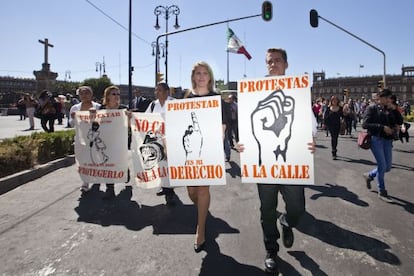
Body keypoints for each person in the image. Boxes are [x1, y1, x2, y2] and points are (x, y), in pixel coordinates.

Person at [236, 48, 316, 274]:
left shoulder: (298, 89)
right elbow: (246, 127)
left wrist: (311, 141)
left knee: (297, 208)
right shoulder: (254, 92)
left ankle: (287, 222)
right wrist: (244, 144)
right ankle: (271, 249)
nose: (273, 65)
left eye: (278, 61)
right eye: (269, 61)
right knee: (267, 209)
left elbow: (309, 125)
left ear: (286, 64)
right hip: (264, 165)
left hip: (293, 161)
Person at [184, 61, 229, 253]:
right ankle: (202, 209)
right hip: (188, 152)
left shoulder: (216, 99)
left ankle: (200, 229)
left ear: (210, 77)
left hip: (209, 150)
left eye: (205, 73)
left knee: (202, 189)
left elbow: (223, 123)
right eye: (198, 73)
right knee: (192, 192)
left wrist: (219, 135)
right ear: (193, 77)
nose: (201, 76)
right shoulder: (184, 98)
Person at [362, 89, 399, 202]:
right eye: (387, 98)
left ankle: (370, 175)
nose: (389, 100)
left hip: (387, 140)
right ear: (381, 97)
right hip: (376, 139)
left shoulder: (389, 108)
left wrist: (395, 111)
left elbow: (399, 121)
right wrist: (382, 127)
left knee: (387, 167)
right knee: (382, 165)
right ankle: (382, 191)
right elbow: (365, 124)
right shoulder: (371, 108)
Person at [145, 82, 177, 205]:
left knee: (169, 166)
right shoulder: (153, 105)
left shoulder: (175, 103)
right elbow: (145, 118)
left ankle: (170, 193)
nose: (156, 92)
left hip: (171, 140)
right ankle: (165, 187)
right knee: (160, 165)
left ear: (167, 92)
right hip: (157, 140)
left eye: (159, 90)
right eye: (155, 90)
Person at [98, 85, 132, 199]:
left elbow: (128, 126)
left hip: (120, 141)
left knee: (119, 163)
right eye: (114, 94)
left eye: (118, 94)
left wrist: (129, 117)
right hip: (105, 142)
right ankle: (110, 189)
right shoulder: (101, 109)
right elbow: (95, 124)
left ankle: (125, 171)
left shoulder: (123, 109)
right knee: (107, 165)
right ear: (107, 96)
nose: (117, 96)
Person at [70, 86, 101, 193]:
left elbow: (103, 122)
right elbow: (71, 124)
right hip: (80, 139)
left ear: (91, 95)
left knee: (95, 159)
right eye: (82, 93)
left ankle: (96, 177)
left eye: (87, 93)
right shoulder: (75, 108)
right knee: (82, 161)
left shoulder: (97, 107)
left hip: (95, 138)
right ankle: (85, 181)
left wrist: (94, 116)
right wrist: (73, 118)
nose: (84, 95)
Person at [324, 95, 343, 160]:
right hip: (330, 125)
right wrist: (325, 124)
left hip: (337, 125)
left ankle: (334, 149)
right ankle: (333, 151)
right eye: (333, 100)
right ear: (331, 101)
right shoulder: (329, 108)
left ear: (337, 101)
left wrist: (346, 112)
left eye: (335, 100)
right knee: (333, 137)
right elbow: (325, 117)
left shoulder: (340, 108)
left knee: (336, 138)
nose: (334, 101)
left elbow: (343, 115)